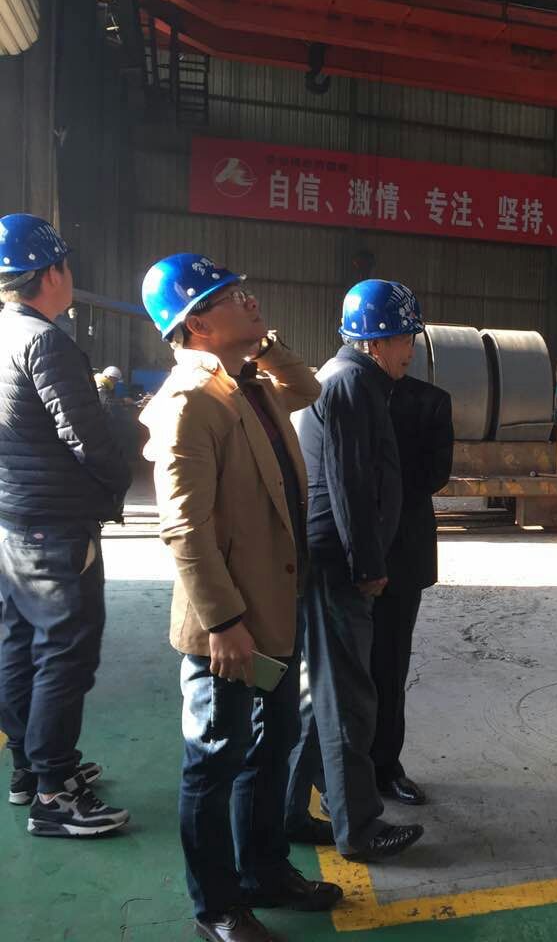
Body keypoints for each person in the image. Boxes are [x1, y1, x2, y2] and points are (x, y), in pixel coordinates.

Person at [139, 253, 341, 942]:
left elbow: (308, 386)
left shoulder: (247, 384)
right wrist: (224, 622)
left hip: (274, 611)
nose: (251, 301)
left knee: (271, 744)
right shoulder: (190, 403)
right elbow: (184, 529)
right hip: (229, 627)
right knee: (215, 759)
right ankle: (218, 908)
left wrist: (264, 343)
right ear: (197, 323)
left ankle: (264, 872)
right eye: (232, 296)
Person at [284, 279, 425, 861]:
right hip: (338, 564)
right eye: (405, 338)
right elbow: (348, 483)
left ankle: (289, 811)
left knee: (324, 697)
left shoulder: (355, 380)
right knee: (348, 699)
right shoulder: (349, 383)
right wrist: (367, 563)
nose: (410, 349)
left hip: (334, 558)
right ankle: (360, 828)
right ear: (376, 340)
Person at [0, 213, 131, 837]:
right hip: (54, 523)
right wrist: (116, 482)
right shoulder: (45, 342)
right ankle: (54, 794)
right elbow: (89, 440)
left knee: (19, 642)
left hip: (13, 519)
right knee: (64, 652)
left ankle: (30, 769)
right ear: (50, 273)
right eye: (67, 265)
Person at [371, 373, 452, 805]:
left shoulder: (429, 402)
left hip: (402, 552)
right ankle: (340, 772)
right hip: (342, 549)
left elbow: (434, 474)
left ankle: (386, 767)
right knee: (341, 673)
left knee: (390, 665)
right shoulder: (335, 391)